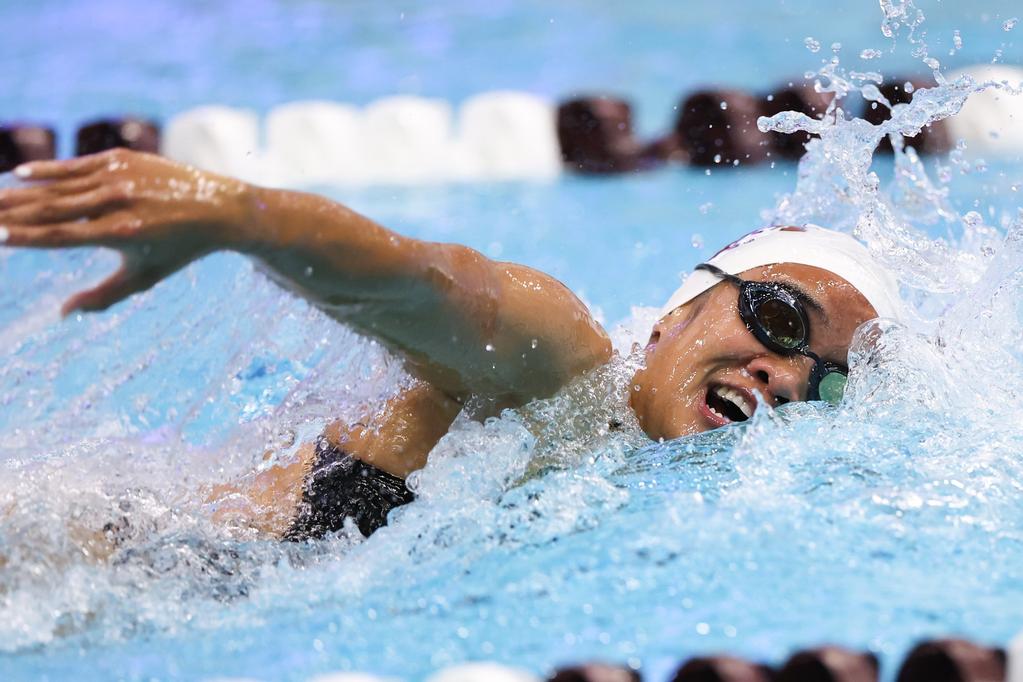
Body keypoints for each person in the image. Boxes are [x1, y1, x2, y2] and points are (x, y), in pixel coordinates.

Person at [0, 149, 902, 542]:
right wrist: (242, 214)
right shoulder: (564, 363)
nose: (782, 375)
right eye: (780, 321)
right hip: (96, 551)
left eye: (826, 383)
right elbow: (417, 279)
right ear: (676, 316)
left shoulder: (640, 478)